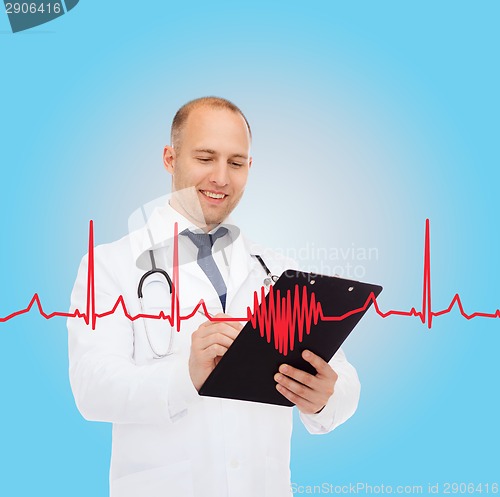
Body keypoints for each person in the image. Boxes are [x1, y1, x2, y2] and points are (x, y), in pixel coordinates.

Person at [67, 97, 361, 497]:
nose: (221, 177)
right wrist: (185, 376)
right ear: (170, 158)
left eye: (236, 163)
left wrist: (325, 397)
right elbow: (92, 388)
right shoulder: (110, 265)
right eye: (205, 158)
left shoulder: (278, 270)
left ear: (249, 168)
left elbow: (342, 376)